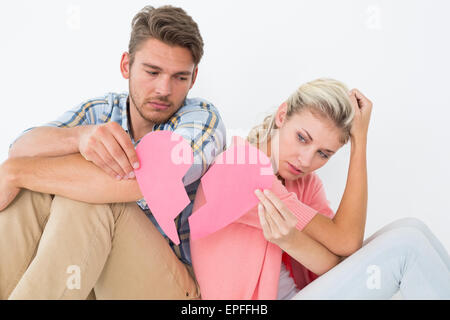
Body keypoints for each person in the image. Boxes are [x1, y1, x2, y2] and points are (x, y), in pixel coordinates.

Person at [0, 5, 226, 299]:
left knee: (97, 200)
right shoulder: (102, 110)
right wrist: (79, 137)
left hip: (171, 285)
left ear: (193, 79)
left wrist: (14, 172)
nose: (163, 89)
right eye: (152, 71)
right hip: (97, 273)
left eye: (179, 77)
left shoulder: (201, 119)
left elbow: (154, 179)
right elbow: (22, 148)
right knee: (35, 191)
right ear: (126, 65)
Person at [189, 78, 450, 299]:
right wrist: (360, 141)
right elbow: (346, 242)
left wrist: (292, 241)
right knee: (409, 245)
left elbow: (340, 260)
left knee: (412, 228)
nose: (306, 160)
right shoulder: (242, 168)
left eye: (323, 154)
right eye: (302, 138)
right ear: (282, 116)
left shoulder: (305, 184)